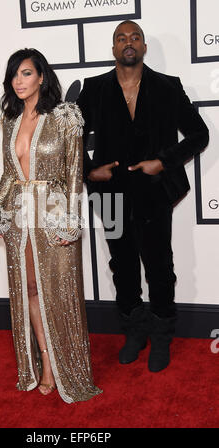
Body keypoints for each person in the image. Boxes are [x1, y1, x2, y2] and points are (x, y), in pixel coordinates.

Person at [77, 21, 209, 372]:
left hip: (154, 193)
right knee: (122, 267)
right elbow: (69, 137)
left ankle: (162, 335)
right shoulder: (94, 89)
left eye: (134, 37)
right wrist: (90, 169)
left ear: (144, 47)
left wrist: (163, 162)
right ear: (114, 49)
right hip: (110, 195)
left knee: (160, 268)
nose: (128, 42)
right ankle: (134, 332)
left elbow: (199, 134)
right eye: (121, 38)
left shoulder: (168, 87)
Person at [0, 48, 102, 403]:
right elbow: (9, 174)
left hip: (53, 215)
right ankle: (45, 363)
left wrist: (69, 221)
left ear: (41, 77)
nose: (18, 81)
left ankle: (68, 368)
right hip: (20, 216)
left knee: (60, 293)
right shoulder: (9, 120)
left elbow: (73, 174)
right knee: (30, 291)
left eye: (25, 73)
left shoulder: (65, 117)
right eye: (14, 75)